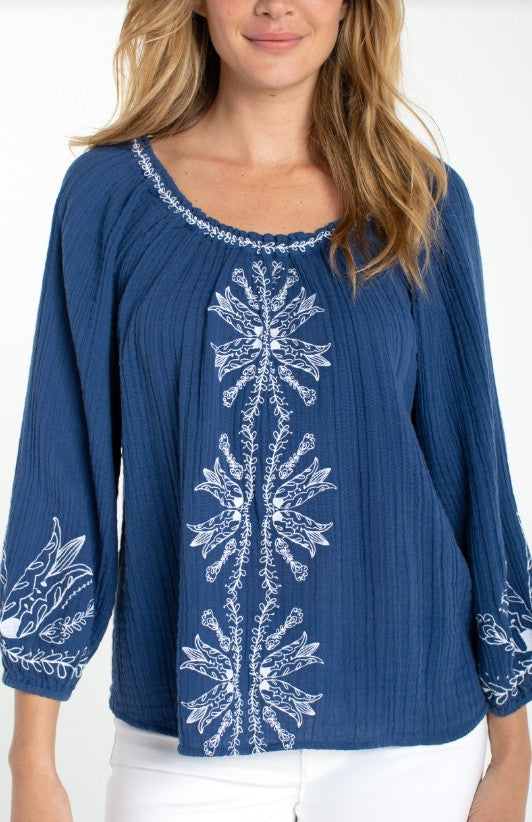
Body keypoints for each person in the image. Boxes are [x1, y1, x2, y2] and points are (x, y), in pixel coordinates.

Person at [2, 0, 531, 820]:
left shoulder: (419, 199)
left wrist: (514, 751)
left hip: (414, 733)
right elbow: (63, 467)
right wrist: (31, 760)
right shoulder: (109, 198)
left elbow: (474, 472)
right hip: (179, 735)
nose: (275, 5)